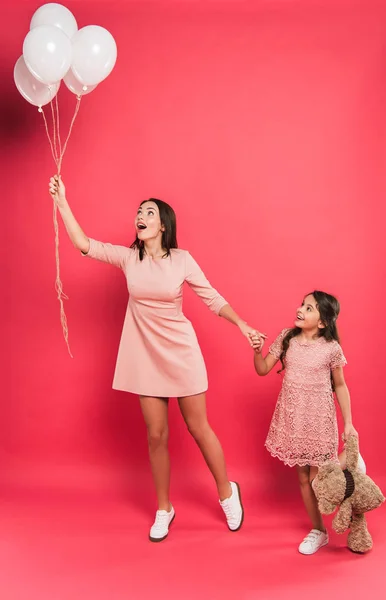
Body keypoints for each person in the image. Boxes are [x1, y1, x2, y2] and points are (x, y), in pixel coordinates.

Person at [49, 174, 264, 542]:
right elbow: (84, 245)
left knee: (199, 428)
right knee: (156, 435)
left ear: (162, 224)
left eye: (148, 212)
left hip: (181, 351)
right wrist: (62, 202)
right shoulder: (128, 257)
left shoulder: (182, 260)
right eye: (138, 212)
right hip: (144, 354)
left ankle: (228, 493)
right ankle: (164, 508)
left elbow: (211, 297)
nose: (140, 216)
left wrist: (242, 324)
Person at [251, 291, 366, 555]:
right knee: (304, 478)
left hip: (319, 418)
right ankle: (319, 531)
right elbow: (261, 369)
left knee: (320, 479)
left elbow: (340, 385)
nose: (301, 309)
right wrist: (257, 351)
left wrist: (348, 424)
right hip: (294, 417)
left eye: (310, 308)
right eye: (303, 305)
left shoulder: (331, 348)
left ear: (323, 322)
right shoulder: (287, 338)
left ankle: (350, 466)